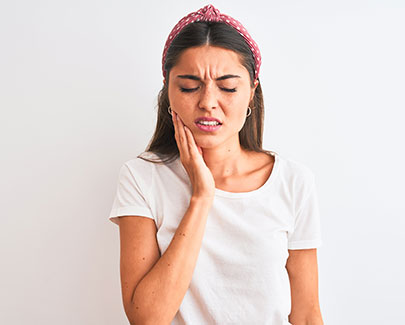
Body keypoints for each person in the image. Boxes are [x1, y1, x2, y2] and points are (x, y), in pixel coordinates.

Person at [108, 4, 324, 325]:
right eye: (189, 86)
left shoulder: (292, 181)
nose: (208, 102)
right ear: (168, 90)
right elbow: (147, 319)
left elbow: (306, 315)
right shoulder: (142, 177)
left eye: (227, 87)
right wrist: (202, 196)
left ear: (251, 92)